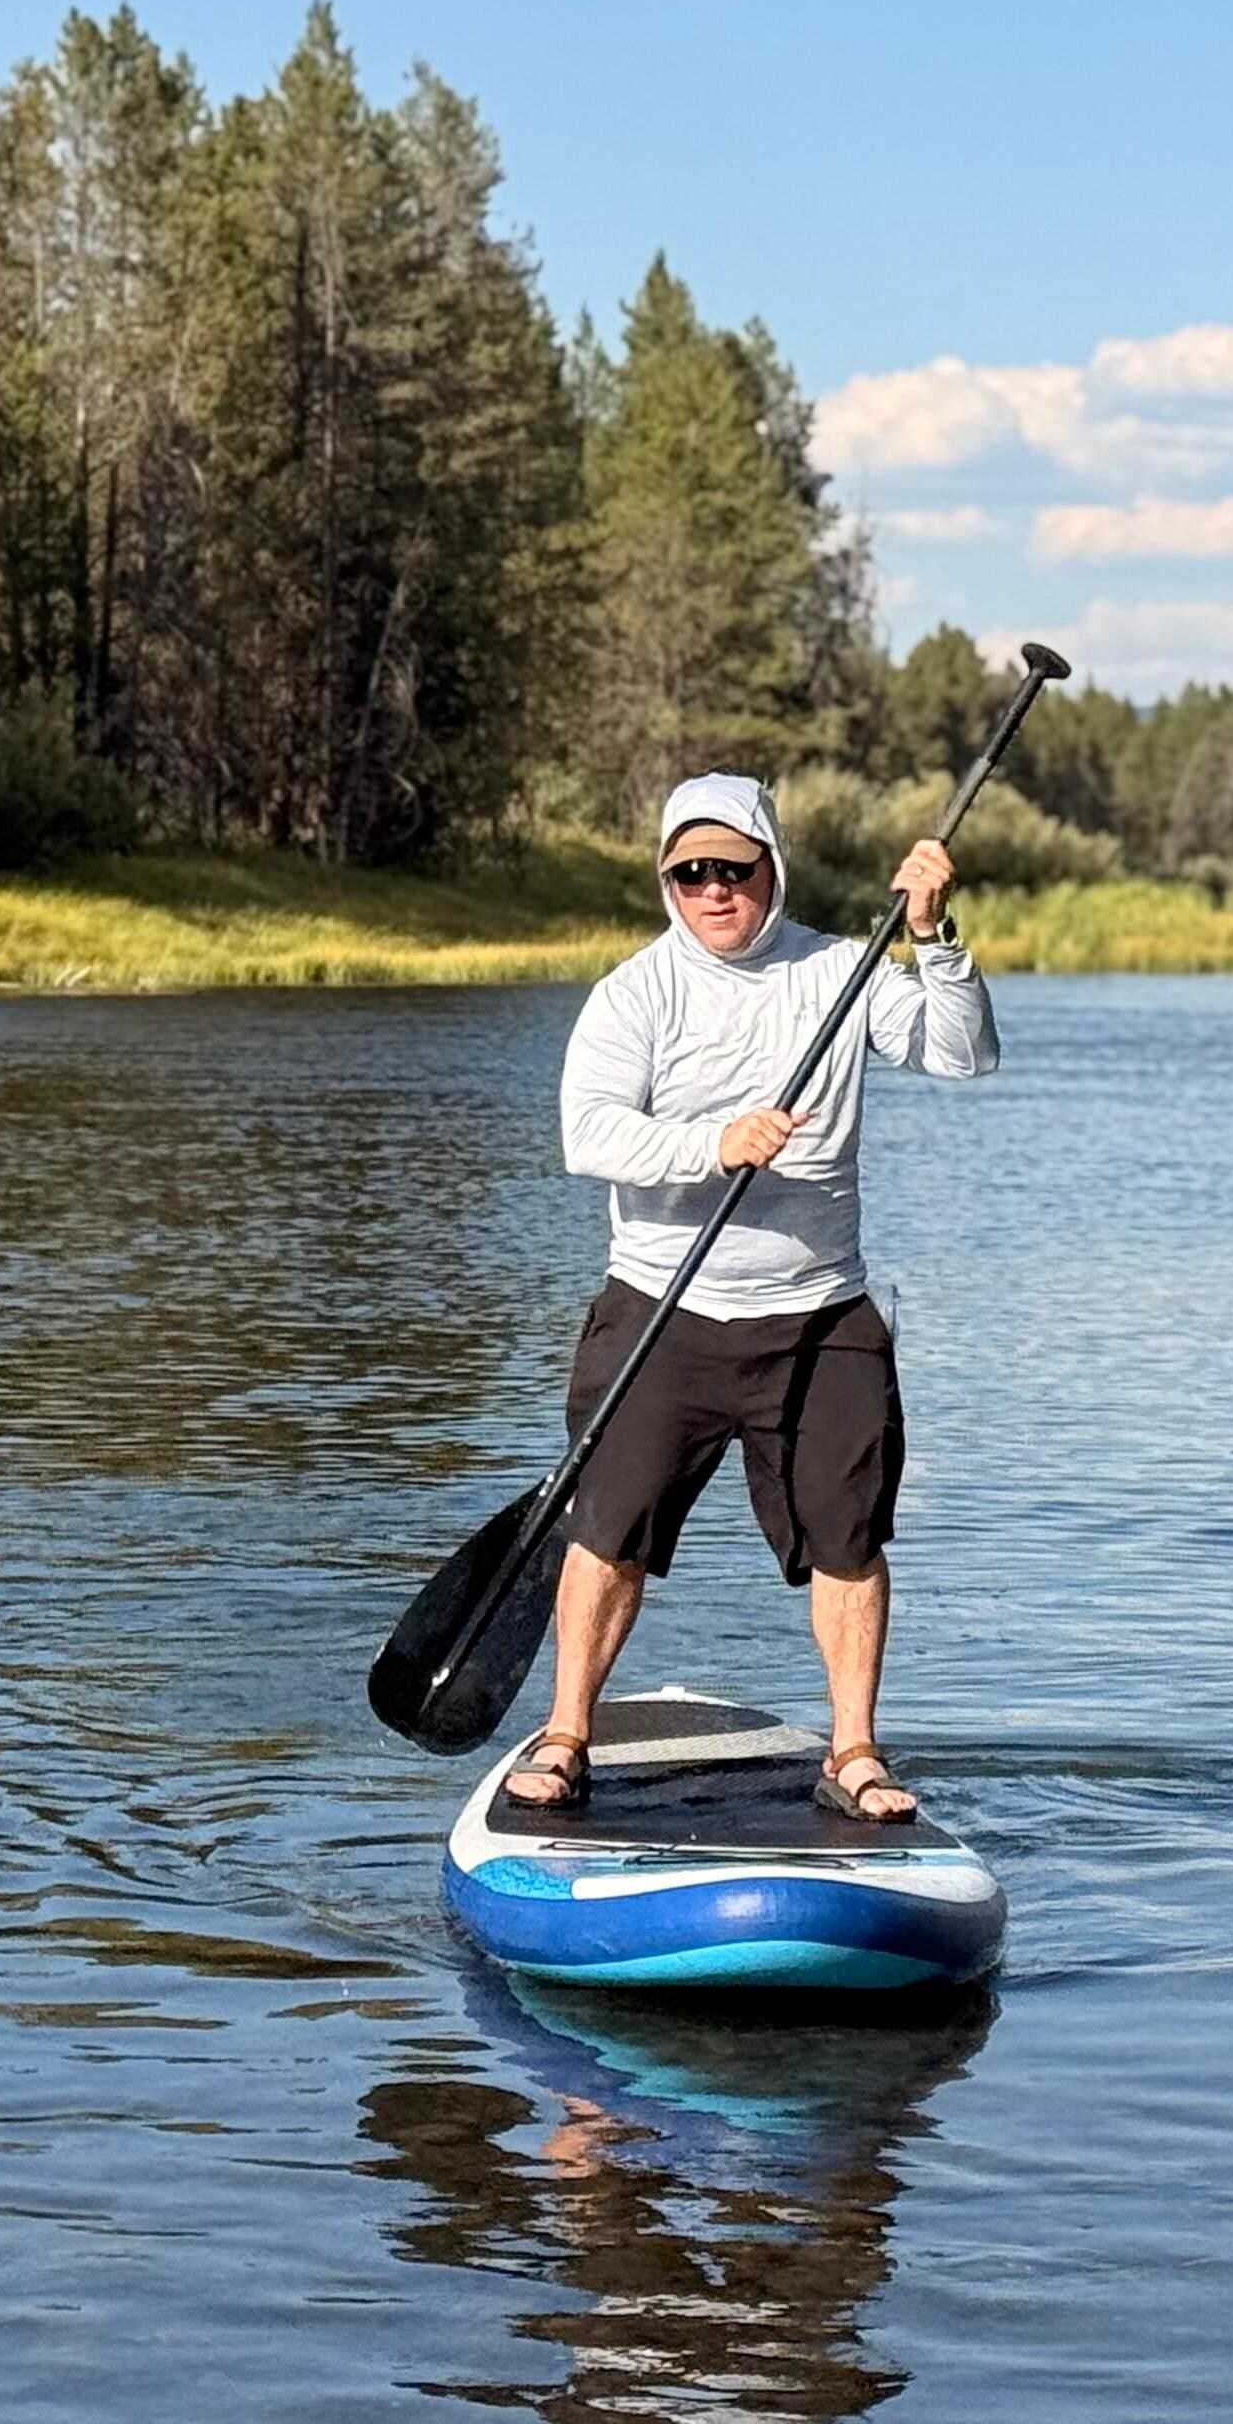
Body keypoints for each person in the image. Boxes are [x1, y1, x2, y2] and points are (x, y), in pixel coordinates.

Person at [512, 773, 997, 1824]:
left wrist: (934, 936)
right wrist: (713, 1142)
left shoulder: (839, 968)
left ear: (770, 867)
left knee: (851, 1538)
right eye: (691, 873)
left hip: (823, 1316)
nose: (714, 890)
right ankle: (564, 1736)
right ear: (666, 881)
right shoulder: (635, 993)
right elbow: (587, 1135)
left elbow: (966, 1055)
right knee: (607, 1533)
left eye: (734, 868)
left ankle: (855, 1751)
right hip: (661, 1311)